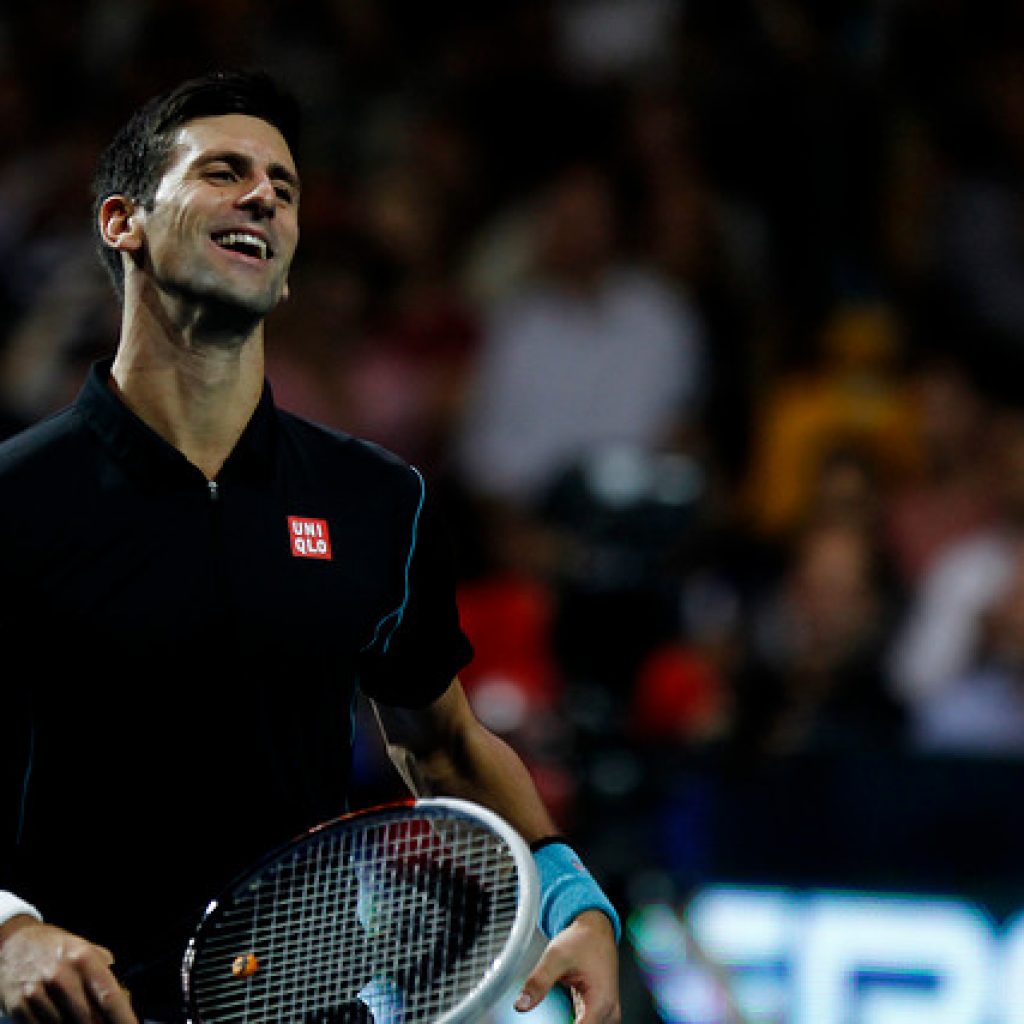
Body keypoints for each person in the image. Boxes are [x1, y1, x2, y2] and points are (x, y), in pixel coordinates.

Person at [0, 70, 620, 1024]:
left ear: (285, 267)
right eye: (223, 172)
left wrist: (571, 891)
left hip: (304, 1006)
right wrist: (8, 933)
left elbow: (445, 743)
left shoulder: (378, 501)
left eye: (283, 189)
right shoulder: (16, 498)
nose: (263, 197)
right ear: (122, 222)